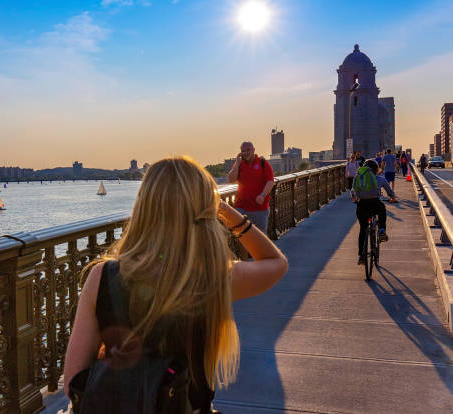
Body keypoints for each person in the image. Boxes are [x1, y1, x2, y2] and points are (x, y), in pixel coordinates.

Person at [63, 156, 288, 413]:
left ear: (144, 206)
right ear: (205, 208)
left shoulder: (102, 276)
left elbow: (73, 382)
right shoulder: (212, 277)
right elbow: (275, 263)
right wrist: (226, 211)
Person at [352, 159, 397, 265]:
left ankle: (362, 256)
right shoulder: (380, 178)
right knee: (382, 210)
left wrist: (355, 199)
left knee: (363, 229)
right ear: (377, 169)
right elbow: (390, 192)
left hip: (362, 205)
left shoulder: (358, 177)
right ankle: (381, 231)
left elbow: (353, 192)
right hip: (374, 203)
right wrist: (392, 198)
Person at [226, 141, 275, 233]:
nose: (246, 153)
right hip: (241, 207)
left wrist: (262, 195)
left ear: (253, 150)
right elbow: (231, 179)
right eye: (243, 151)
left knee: (260, 238)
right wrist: (237, 162)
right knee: (241, 237)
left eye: (248, 150)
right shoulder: (239, 164)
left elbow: (270, 181)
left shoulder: (262, 163)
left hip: (259, 208)